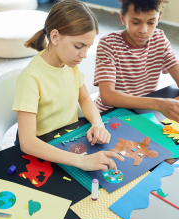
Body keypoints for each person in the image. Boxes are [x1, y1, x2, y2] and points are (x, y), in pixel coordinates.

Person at [12, 0, 124, 172]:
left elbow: (85, 98)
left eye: (88, 47)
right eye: (79, 46)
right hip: (42, 148)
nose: (85, 54)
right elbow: (27, 143)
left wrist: (97, 123)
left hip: (68, 137)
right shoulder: (30, 78)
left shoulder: (69, 64)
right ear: (55, 37)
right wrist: (80, 161)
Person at [94, 0, 179, 122]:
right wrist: (159, 103)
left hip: (143, 112)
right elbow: (107, 96)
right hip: (109, 114)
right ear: (123, 18)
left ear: (158, 19)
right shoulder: (108, 44)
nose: (144, 30)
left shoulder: (159, 39)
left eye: (151, 22)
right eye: (136, 22)